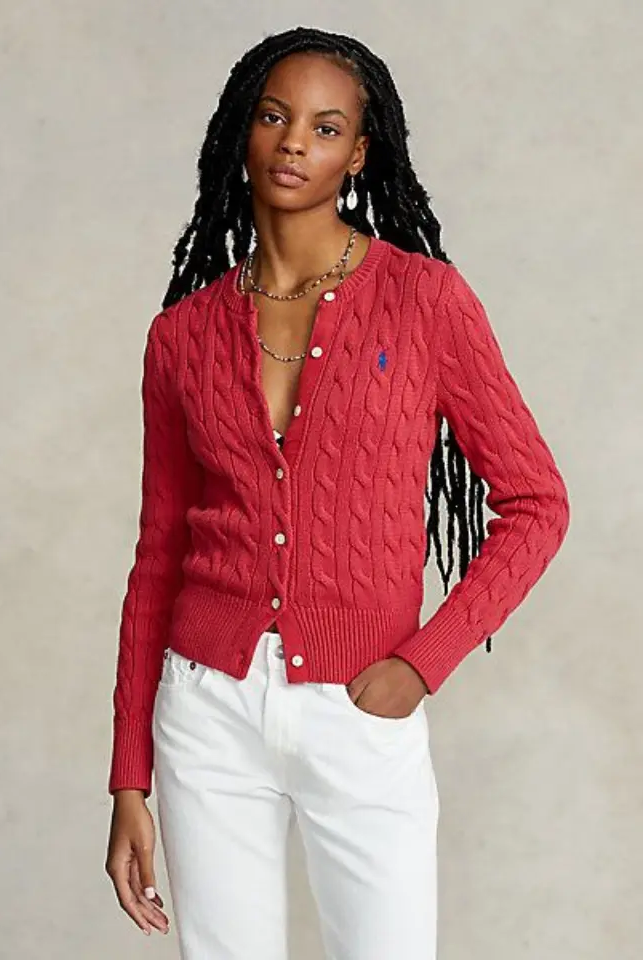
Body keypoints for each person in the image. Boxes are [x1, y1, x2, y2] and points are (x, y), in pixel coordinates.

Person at [104, 25, 570, 960]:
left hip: (360, 702)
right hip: (207, 708)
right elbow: (158, 556)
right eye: (274, 117)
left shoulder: (425, 301)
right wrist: (128, 778)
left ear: (358, 154)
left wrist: (422, 664)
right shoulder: (181, 336)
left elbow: (537, 502)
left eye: (325, 128)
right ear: (242, 130)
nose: (293, 144)